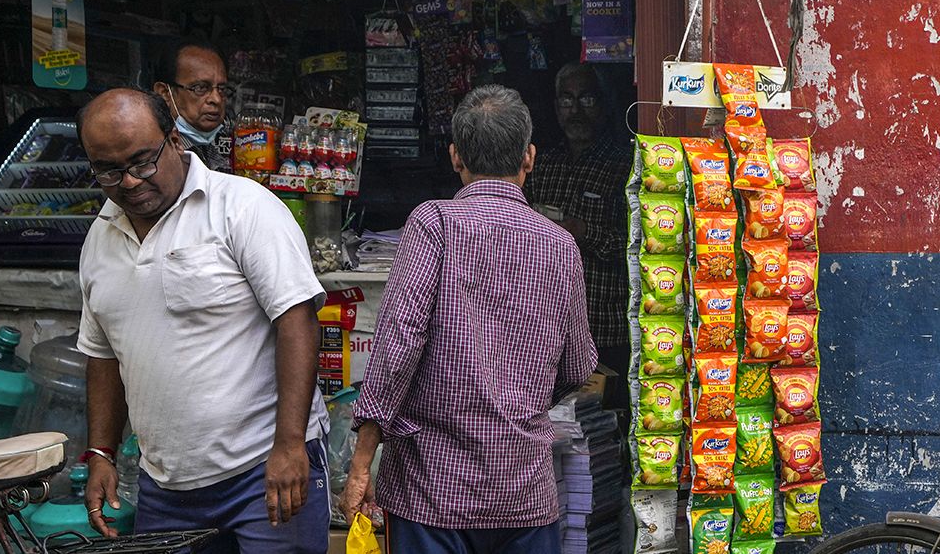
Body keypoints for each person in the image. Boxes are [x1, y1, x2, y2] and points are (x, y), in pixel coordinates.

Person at [343, 85, 597, 552]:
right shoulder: (561, 245)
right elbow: (578, 365)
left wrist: (362, 459)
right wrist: (518, 398)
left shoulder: (435, 223)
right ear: (529, 157)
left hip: (431, 490)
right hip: (522, 492)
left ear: (455, 156)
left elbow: (398, 343)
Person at [74, 88, 328, 552]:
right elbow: (103, 354)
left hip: (263, 469)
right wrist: (101, 453)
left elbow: (297, 320)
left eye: (141, 162)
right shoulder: (99, 239)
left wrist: (291, 444)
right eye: (108, 171)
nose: (129, 182)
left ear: (174, 140)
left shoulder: (242, 207)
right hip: (166, 486)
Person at [525, 63, 633, 398]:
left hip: (605, 325)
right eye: (566, 100)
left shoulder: (624, 166)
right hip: (546, 325)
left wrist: (584, 232)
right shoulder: (543, 165)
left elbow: (638, 245)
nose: (575, 111)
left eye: (586, 99)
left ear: (603, 103)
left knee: (604, 416)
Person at [153, 40, 235, 171]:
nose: (216, 99)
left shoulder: (210, 151)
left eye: (222, 89)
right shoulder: (155, 157)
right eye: (200, 88)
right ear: (165, 93)